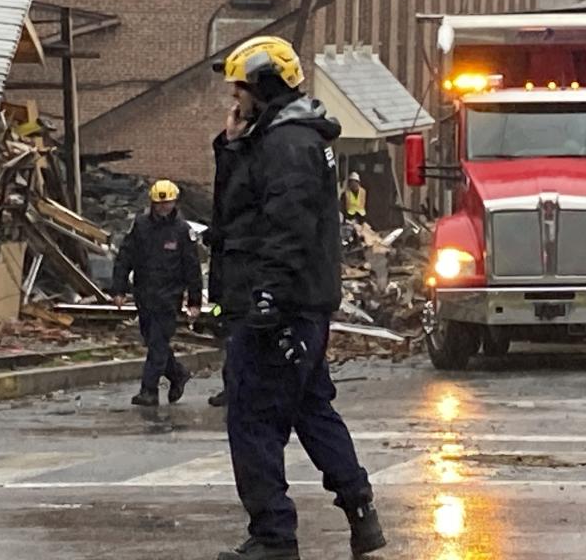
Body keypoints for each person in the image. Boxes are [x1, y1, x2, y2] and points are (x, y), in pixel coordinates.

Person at [211, 36, 385, 560]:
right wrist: (231, 144)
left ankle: (273, 536)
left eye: (239, 89)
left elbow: (284, 227)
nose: (233, 99)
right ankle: (360, 511)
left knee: (253, 415)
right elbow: (244, 209)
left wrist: (267, 298)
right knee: (312, 410)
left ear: (262, 88)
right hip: (298, 305)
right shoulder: (281, 139)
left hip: (279, 308)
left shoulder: (288, 146)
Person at [112, 180, 203, 407]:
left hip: (169, 297)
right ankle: (177, 373)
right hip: (144, 294)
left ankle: (149, 390)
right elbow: (125, 257)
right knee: (152, 340)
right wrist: (119, 288)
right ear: (152, 203)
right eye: (159, 204)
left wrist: (194, 301)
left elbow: (192, 268)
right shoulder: (141, 226)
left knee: (158, 342)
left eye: (167, 204)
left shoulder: (183, 231)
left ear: (175, 203)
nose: (163, 208)